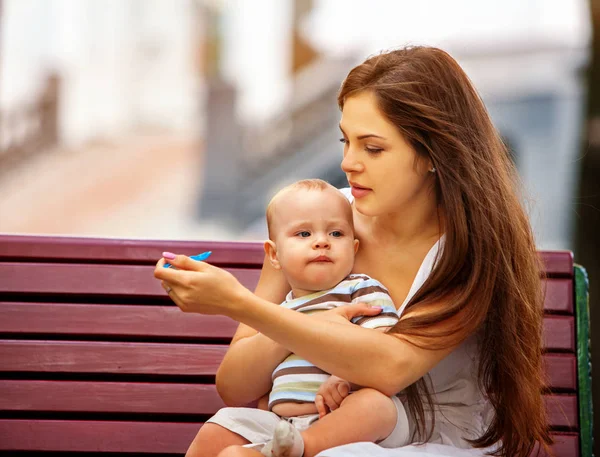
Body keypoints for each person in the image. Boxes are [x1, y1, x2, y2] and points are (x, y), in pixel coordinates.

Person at [154, 46, 552, 457]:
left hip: (428, 435)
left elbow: (390, 367)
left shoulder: (469, 249)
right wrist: (300, 319)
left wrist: (239, 304)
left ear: (433, 153)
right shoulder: (318, 226)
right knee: (218, 437)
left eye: (373, 148)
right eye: (346, 141)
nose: (348, 162)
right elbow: (235, 388)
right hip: (310, 420)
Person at [205, 178, 412, 457]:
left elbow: (385, 339)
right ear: (274, 255)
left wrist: (347, 376)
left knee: (376, 406)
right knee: (216, 429)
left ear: (354, 248)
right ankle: (288, 446)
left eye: (336, 234)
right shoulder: (278, 309)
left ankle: (304, 447)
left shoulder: (359, 288)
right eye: (304, 234)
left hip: (341, 413)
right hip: (281, 424)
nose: (322, 242)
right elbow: (239, 385)